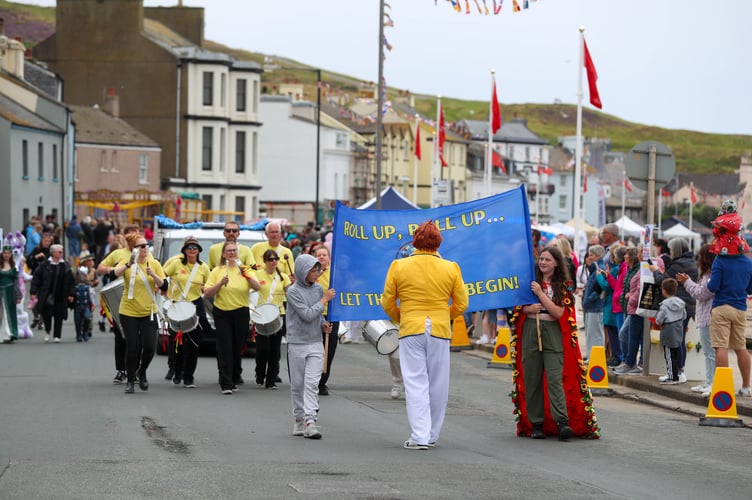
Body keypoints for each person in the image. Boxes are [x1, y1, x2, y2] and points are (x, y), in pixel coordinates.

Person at [382, 221, 469, 450]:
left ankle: (419, 435)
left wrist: (403, 316)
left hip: (411, 327)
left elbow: (387, 302)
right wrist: (443, 314)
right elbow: (462, 303)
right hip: (439, 328)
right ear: (438, 242)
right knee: (438, 383)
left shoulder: (399, 266)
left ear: (415, 241)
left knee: (415, 382)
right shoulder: (451, 267)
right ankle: (431, 434)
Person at [509, 245, 599, 440]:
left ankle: (562, 422)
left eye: (547, 259)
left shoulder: (564, 285)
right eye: (541, 259)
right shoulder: (529, 282)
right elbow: (517, 309)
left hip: (553, 332)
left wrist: (541, 295)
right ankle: (536, 423)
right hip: (532, 330)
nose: (543, 262)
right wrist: (527, 310)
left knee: (554, 378)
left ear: (556, 263)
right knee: (532, 378)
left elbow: (559, 313)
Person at [286, 254, 335, 439]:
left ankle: (310, 421)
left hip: (315, 342)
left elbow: (316, 316)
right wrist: (324, 300)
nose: (316, 274)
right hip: (297, 342)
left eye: (317, 270)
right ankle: (298, 420)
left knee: (312, 383)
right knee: (297, 385)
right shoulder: (293, 291)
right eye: (312, 270)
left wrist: (323, 324)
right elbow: (306, 314)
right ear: (302, 271)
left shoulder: (318, 289)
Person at [706, 199, 752, 397]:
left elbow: (713, 286)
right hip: (740, 308)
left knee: (721, 347)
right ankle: (746, 386)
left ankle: (723, 386)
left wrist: (708, 283)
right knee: (741, 347)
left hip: (721, 306)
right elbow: (750, 288)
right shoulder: (748, 261)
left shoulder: (720, 260)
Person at [203, 241, 261, 395]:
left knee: (237, 346)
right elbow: (207, 293)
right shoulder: (217, 270)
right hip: (222, 312)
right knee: (224, 347)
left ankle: (234, 377)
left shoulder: (245, 269)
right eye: (228, 251)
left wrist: (246, 274)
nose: (232, 253)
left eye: (234, 250)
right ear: (223, 254)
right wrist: (220, 284)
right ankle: (226, 383)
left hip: (241, 312)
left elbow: (257, 287)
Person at [112, 234, 167, 393]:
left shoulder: (154, 263)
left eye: (146, 245)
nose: (145, 248)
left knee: (149, 347)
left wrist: (154, 275)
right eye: (141, 246)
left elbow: (164, 285)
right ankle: (130, 380)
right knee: (133, 346)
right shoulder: (127, 262)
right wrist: (128, 265)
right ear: (134, 249)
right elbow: (115, 273)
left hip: (148, 311)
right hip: (128, 311)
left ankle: (141, 371)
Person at [163, 236, 212, 388]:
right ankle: (177, 372)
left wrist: (205, 287)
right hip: (179, 304)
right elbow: (163, 276)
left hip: (196, 304)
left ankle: (189, 376)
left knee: (194, 343)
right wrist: (163, 288)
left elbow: (208, 285)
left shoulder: (203, 267)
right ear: (184, 251)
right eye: (189, 248)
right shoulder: (176, 264)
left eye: (195, 248)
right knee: (179, 342)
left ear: (199, 251)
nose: (192, 250)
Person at [97, 226, 140, 384]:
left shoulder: (145, 254)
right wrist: (113, 269)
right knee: (120, 335)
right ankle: (121, 370)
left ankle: (135, 370)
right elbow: (100, 268)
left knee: (137, 337)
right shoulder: (118, 253)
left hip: (139, 300)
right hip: (119, 298)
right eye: (131, 236)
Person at [653, 238, 698, 383]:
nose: (670, 252)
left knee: (675, 341)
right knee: (680, 339)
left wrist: (655, 272)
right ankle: (678, 371)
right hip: (688, 306)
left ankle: (677, 371)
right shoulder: (691, 263)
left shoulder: (677, 265)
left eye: (672, 249)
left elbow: (663, 281)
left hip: (676, 307)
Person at [676, 244, 716, 396]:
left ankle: (711, 382)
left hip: (708, 316)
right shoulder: (709, 273)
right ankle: (708, 381)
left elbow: (700, 293)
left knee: (709, 352)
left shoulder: (709, 275)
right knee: (708, 352)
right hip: (707, 315)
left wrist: (687, 282)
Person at [253, 249, 291, 390]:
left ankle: (271, 380)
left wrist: (293, 287)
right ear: (265, 261)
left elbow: (290, 293)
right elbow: (251, 293)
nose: (274, 261)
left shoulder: (283, 277)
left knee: (275, 350)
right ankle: (260, 373)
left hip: (278, 314)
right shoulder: (257, 274)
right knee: (263, 348)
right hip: (262, 315)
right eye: (271, 259)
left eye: (276, 259)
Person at [29, 244, 76, 343]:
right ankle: (47, 331)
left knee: (59, 315)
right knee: (47, 314)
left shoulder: (65, 265)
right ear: (53, 253)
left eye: (62, 251)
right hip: (47, 294)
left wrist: (71, 294)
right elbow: (36, 278)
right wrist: (33, 292)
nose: (61, 253)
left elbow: (71, 281)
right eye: (59, 252)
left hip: (61, 295)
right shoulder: (45, 264)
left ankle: (57, 335)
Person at [311, 244, 339, 396]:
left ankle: (322, 381)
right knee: (314, 349)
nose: (321, 257)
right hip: (314, 315)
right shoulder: (311, 275)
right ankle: (311, 380)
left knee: (329, 350)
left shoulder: (334, 274)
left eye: (324, 255)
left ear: (329, 258)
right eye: (318, 255)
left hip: (331, 315)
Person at [614, 247, 643, 375]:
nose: (624, 257)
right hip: (628, 307)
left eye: (626, 255)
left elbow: (638, 288)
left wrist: (630, 298)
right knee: (627, 335)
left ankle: (630, 362)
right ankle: (628, 362)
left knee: (626, 335)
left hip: (634, 307)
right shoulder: (629, 269)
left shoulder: (638, 269)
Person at [655, 278, 687, 385]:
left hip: (668, 330)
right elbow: (684, 316)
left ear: (664, 290)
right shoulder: (681, 303)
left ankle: (671, 376)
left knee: (668, 354)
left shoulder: (664, 305)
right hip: (678, 328)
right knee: (677, 351)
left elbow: (659, 320)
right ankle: (676, 373)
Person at [582, 245, 606, 360]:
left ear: (598, 256)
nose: (589, 257)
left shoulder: (599, 268)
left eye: (591, 255)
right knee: (590, 333)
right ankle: (591, 354)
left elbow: (599, 288)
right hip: (591, 306)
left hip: (595, 307)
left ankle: (595, 357)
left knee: (595, 333)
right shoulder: (594, 268)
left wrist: (589, 299)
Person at [27, 231, 53, 329]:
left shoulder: (51, 252)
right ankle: (37, 316)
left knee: (43, 299)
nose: (46, 243)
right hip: (36, 277)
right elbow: (29, 261)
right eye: (45, 241)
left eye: (48, 241)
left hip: (46, 279)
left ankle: (41, 319)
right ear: (41, 241)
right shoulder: (36, 250)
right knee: (34, 299)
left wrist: (45, 258)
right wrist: (36, 257)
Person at [0, 245, 21, 343]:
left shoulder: (14, 266)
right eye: (5, 253)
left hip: (10, 291)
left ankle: (11, 333)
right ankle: (2, 334)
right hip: (0, 291)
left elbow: (17, 282)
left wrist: (18, 295)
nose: (6, 255)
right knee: (1, 313)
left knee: (10, 313)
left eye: (8, 253)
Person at [73, 258, 95, 342]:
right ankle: (78, 334)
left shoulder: (87, 285)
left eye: (84, 275)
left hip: (86, 304)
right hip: (77, 304)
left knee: (87, 318)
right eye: (81, 275)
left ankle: (85, 332)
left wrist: (92, 304)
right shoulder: (75, 285)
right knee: (78, 321)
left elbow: (91, 295)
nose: (83, 277)